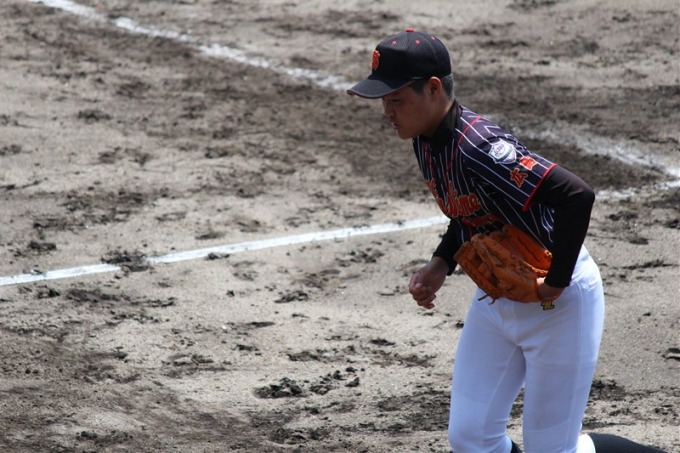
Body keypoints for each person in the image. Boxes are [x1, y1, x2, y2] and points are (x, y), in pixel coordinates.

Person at [347, 28, 666, 453]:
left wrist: (555, 282)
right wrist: (441, 262)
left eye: (396, 99)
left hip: (558, 304)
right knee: (471, 438)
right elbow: (469, 212)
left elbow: (576, 195)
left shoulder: (482, 147)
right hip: (497, 300)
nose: (387, 111)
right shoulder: (424, 139)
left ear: (434, 89)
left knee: (552, 450)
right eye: (384, 100)